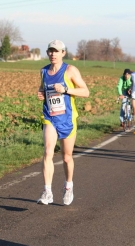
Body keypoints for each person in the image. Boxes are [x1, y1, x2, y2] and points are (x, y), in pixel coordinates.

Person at [36, 40, 89, 205]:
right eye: (50, 51)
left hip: (67, 118)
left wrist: (66, 89)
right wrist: (41, 93)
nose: (53, 54)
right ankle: (47, 191)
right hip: (50, 117)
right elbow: (43, 88)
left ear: (63, 53)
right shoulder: (43, 71)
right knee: (48, 152)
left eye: (56, 51)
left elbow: (86, 92)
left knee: (66, 157)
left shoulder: (70, 70)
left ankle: (68, 186)